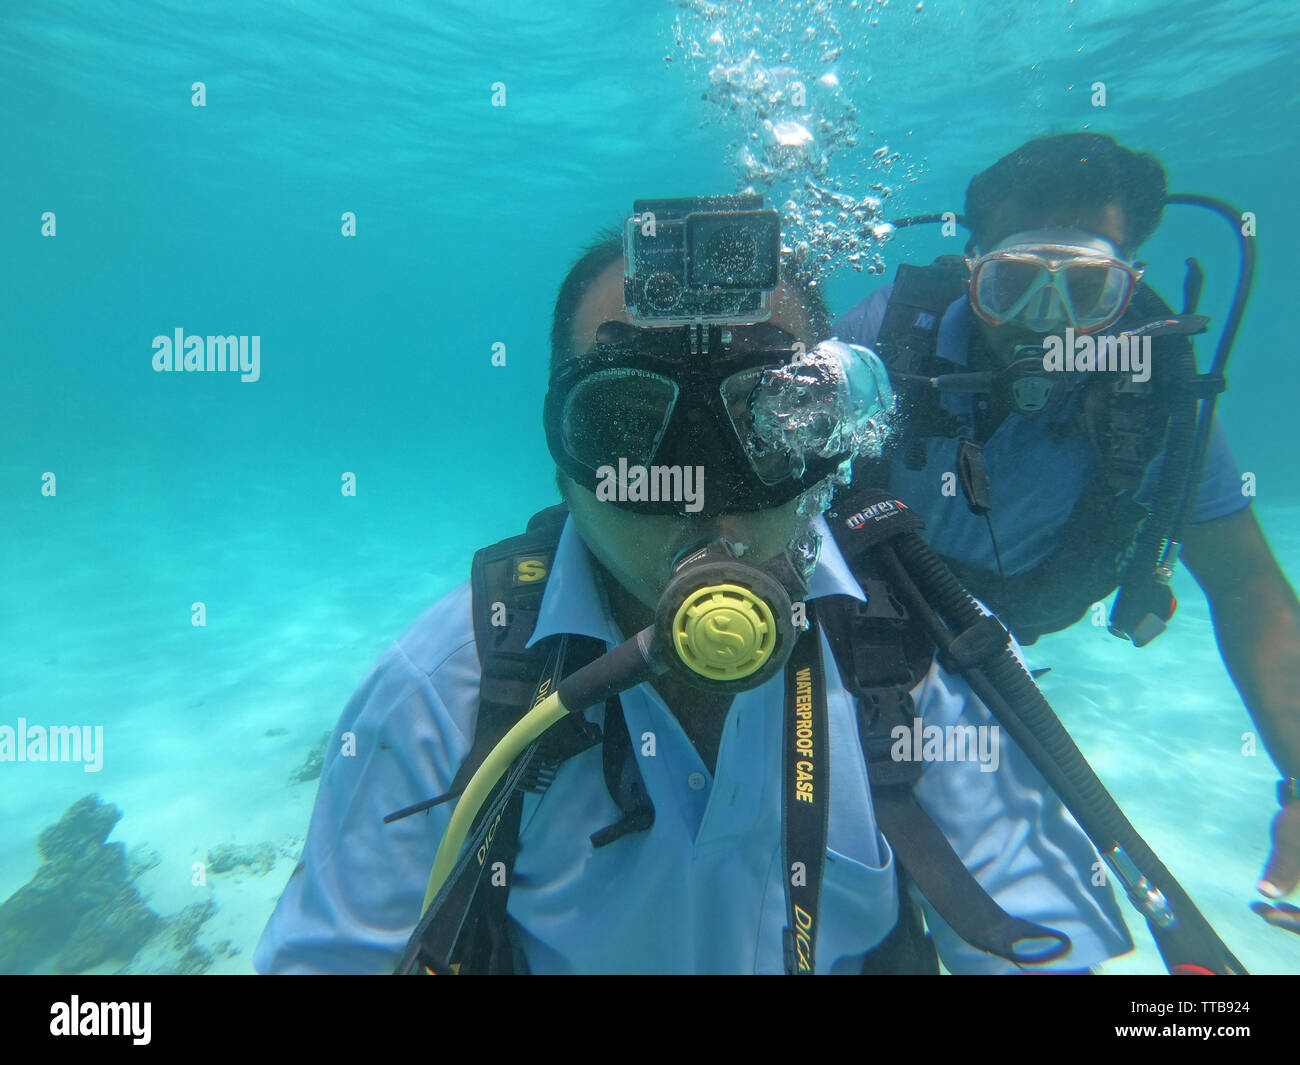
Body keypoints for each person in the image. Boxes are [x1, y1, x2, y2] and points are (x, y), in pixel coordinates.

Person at [254, 197, 1149, 975]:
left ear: (835, 436)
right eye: (630, 425)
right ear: (564, 457)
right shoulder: (446, 688)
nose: (706, 493)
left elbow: (1045, 933)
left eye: (771, 417)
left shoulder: (927, 647)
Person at [833, 132, 1300, 927]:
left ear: (1131, 286)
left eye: (1086, 291)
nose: (1044, 326)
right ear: (971, 267)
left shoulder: (1155, 393)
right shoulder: (891, 336)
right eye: (1013, 285)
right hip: (884, 620)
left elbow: (1249, 588)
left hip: (1019, 627)